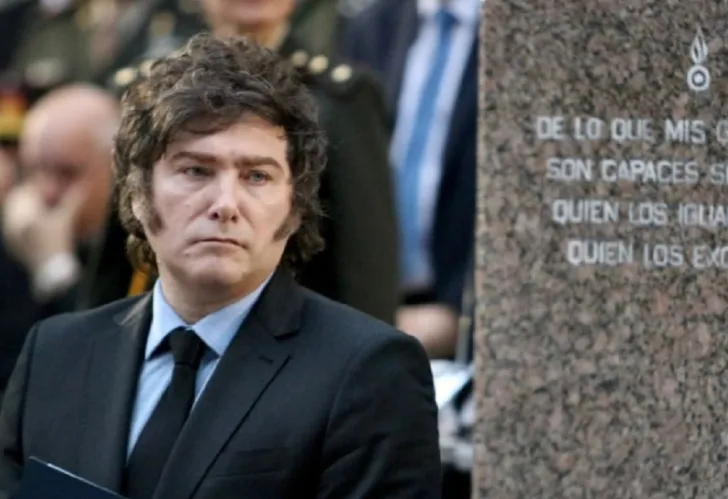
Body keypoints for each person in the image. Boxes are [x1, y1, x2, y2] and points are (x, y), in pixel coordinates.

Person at [0, 34, 441, 499]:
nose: (225, 204)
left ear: (294, 207)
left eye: (257, 176)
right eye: (196, 170)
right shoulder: (55, 355)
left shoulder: (369, 371)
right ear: (138, 193)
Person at [83, 0, 400, 325]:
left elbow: (365, 268)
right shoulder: (148, 91)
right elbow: (118, 259)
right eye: (196, 170)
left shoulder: (342, 99)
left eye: (257, 176)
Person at [341, 0, 479, 357]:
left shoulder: (531, 29)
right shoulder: (373, 24)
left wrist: (463, 314)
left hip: (470, 320)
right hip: (371, 313)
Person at [0, 84, 118, 398]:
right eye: (34, 170)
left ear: (118, 170)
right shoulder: (14, 236)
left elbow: (102, 367)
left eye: (67, 173)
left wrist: (56, 269)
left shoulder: (138, 253)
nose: (48, 191)